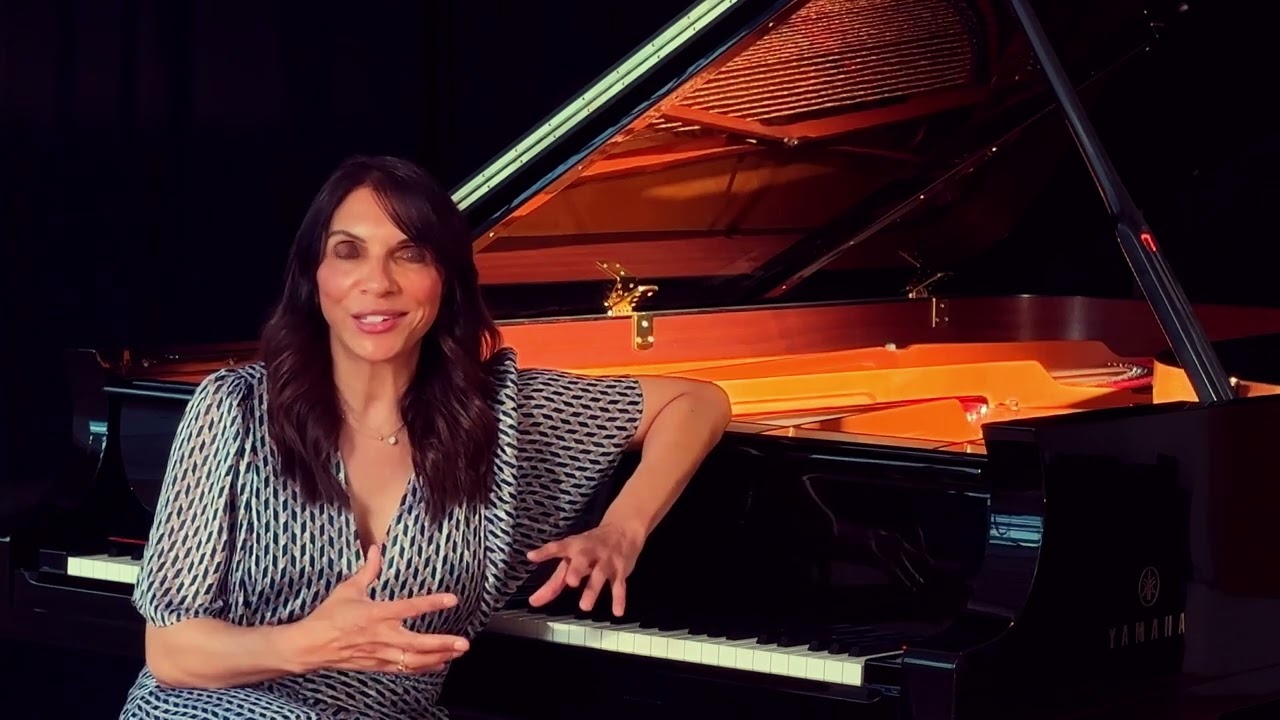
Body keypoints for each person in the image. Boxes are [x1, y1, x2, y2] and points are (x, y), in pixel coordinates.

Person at [119, 155, 732, 719]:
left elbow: (698, 402)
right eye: (348, 251)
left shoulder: (500, 416)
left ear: (446, 278)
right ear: (313, 275)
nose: (378, 282)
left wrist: (622, 528)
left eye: (409, 254)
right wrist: (308, 644)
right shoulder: (232, 408)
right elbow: (172, 652)